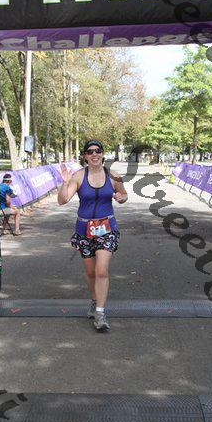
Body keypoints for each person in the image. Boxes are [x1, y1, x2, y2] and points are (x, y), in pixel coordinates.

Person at [57, 140, 128, 332]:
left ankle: (100, 313)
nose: (94, 154)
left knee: (101, 270)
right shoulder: (79, 176)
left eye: (98, 151)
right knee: (90, 273)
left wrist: (121, 197)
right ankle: (95, 300)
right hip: (84, 230)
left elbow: (123, 194)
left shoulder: (113, 175)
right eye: (90, 152)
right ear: (85, 156)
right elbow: (62, 200)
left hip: (107, 229)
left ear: (103, 154)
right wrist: (65, 182)